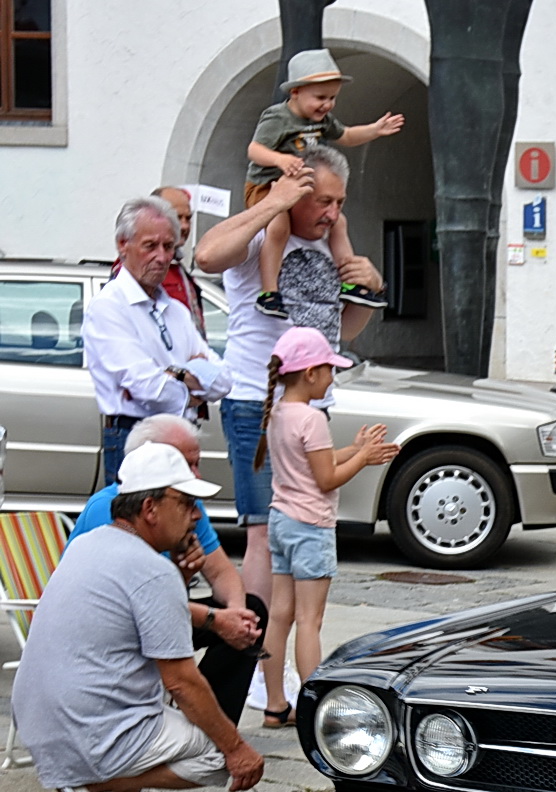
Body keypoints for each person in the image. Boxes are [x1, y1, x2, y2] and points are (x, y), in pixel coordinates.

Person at [10, 442, 267, 792]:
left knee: (198, 729)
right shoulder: (151, 569)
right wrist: (236, 748)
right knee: (219, 756)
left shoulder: (88, 543)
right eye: (186, 504)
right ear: (150, 509)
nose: (196, 515)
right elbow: (182, 682)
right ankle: (99, 784)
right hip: (88, 727)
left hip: (38, 719)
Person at [195, 146, 387, 605]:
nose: (332, 213)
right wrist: (272, 203)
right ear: (296, 191)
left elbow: (337, 331)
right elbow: (205, 255)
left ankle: (275, 642)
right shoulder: (265, 236)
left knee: (301, 525)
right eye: (322, 201)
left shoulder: (329, 244)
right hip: (256, 405)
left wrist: (371, 288)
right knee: (263, 530)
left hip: (313, 408)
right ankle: (254, 647)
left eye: (339, 203)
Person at [69, 416, 266, 723]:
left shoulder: (183, 502)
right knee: (217, 624)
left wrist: (236, 615)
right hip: (114, 627)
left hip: (159, 609)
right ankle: (204, 731)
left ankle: (210, 723)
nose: (196, 474)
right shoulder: (109, 509)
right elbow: (137, 604)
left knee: (252, 610)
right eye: (185, 464)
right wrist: (217, 620)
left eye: (196, 463)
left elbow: (221, 572)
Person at [255, 328, 399, 728]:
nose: (333, 378)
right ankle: (313, 707)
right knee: (310, 621)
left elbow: (312, 462)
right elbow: (325, 479)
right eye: (330, 370)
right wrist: (365, 459)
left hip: (282, 521)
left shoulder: (281, 412)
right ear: (311, 373)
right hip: (311, 526)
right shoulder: (313, 418)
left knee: (279, 616)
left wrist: (355, 448)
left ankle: (274, 705)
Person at [84, 196, 232, 484]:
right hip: (136, 438)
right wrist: (189, 378)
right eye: (150, 246)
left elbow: (224, 380)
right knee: (138, 526)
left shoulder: (175, 310)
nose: (162, 257)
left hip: (181, 436)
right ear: (123, 246)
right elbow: (148, 387)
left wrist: (173, 376)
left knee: (185, 526)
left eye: (168, 247)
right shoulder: (110, 307)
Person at [245, 48, 402, 317]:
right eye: (320, 98)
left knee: (339, 221)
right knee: (279, 224)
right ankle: (269, 292)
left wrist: (375, 130)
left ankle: (349, 280)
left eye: (332, 98)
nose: (327, 105)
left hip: (299, 187)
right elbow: (254, 150)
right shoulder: (277, 117)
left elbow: (347, 136)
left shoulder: (322, 120)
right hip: (268, 187)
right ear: (295, 92)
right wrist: (280, 161)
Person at [108, 187, 206, 334]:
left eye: (188, 218)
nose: (184, 226)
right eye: (178, 217)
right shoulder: (135, 269)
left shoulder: (177, 267)